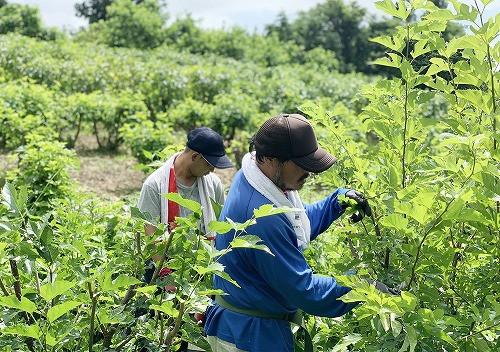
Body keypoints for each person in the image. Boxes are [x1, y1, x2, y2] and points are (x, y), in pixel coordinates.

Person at [204, 113, 381, 352]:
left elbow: (295, 223)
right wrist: (362, 288)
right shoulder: (262, 218)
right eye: (302, 164)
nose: (310, 172)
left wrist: (337, 201)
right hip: (249, 336)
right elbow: (304, 291)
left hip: (247, 326)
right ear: (271, 160)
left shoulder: (255, 177)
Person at [138, 126, 233, 236]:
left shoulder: (213, 183)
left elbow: (223, 223)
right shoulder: (154, 186)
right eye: (209, 164)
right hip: (166, 253)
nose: (212, 170)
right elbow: (150, 238)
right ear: (195, 157)